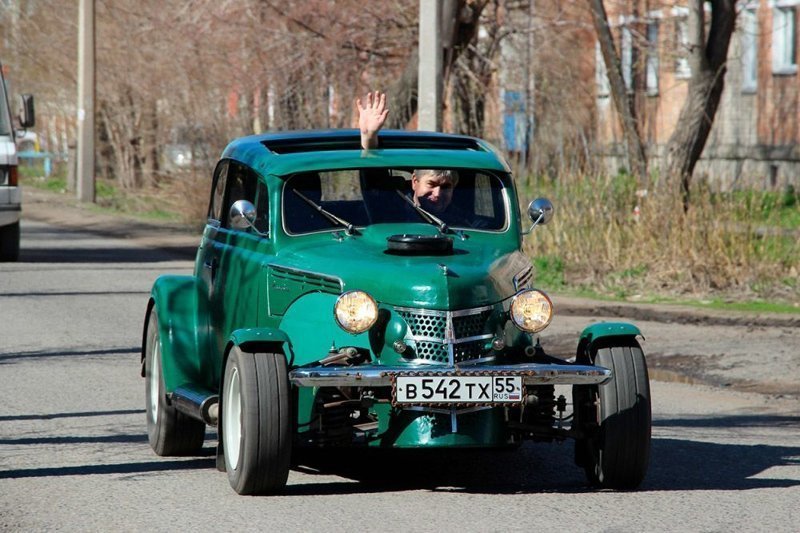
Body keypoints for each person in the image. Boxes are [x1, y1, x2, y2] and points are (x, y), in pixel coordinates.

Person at [356, 91, 459, 216]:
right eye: (431, 184)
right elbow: (372, 179)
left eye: (446, 187)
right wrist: (369, 138)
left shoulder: (463, 222)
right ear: (415, 181)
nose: (437, 193)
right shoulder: (394, 211)